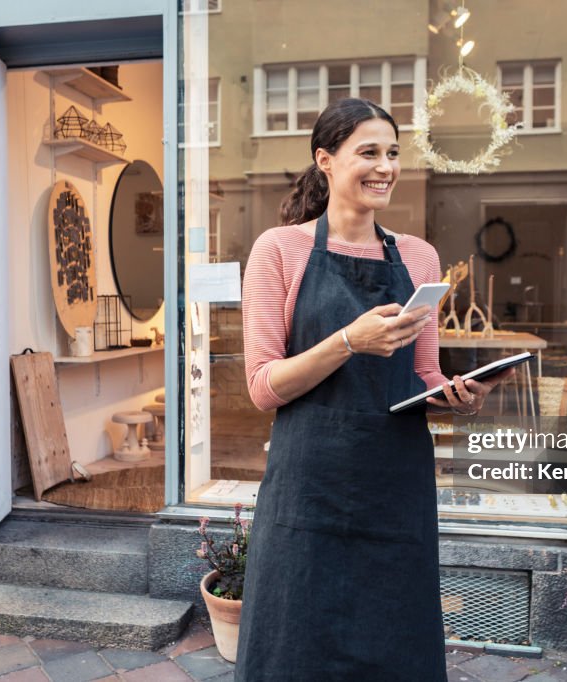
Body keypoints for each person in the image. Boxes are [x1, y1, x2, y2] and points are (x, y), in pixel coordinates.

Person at [235, 98, 513, 681]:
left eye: (392, 153)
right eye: (368, 152)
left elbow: (424, 375)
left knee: (394, 638)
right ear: (325, 161)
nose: (385, 166)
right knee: (294, 640)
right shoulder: (278, 249)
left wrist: (457, 396)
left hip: (394, 483)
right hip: (308, 484)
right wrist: (349, 341)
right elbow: (263, 388)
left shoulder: (417, 256)